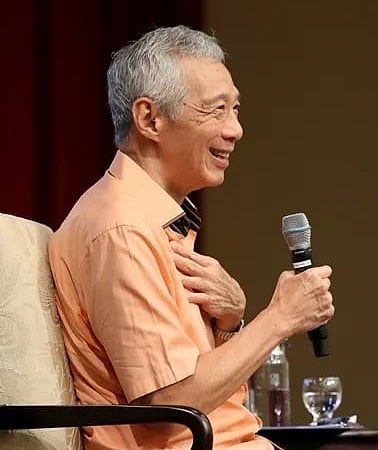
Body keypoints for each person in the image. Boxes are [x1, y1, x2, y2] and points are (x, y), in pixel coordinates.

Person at [48, 25, 334, 449]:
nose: (235, 129)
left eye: (236, 110)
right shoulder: (121, 229)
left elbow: (197, 387)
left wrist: (231, 321)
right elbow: (170, 410)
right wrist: (279, 319)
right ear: (150, 118)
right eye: (216, 110)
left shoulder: (155, 219)